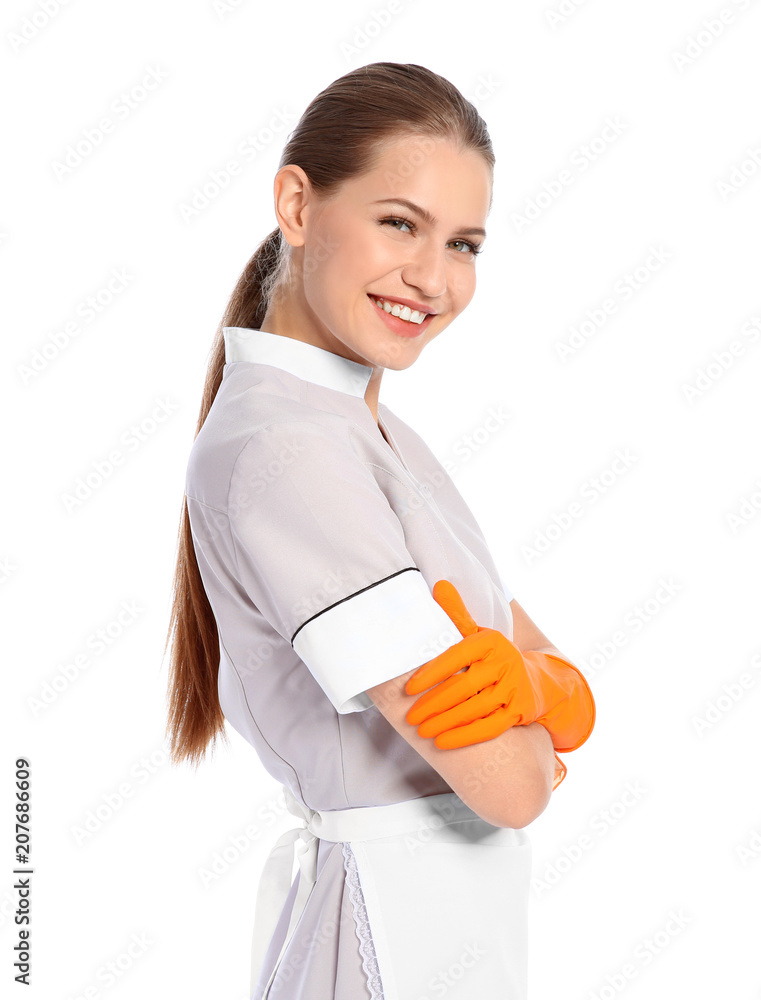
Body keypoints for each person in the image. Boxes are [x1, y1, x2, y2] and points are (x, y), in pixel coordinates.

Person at [164, 61, 595, 1000]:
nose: (432, 278)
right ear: (297, 203)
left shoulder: (372, 432)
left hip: (438, 935)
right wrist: (542, 713)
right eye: (399, 223)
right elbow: (510, 787)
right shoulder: (289, 454)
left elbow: (532, 659)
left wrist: (538, 684)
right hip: (382, 947)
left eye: (465, 243)